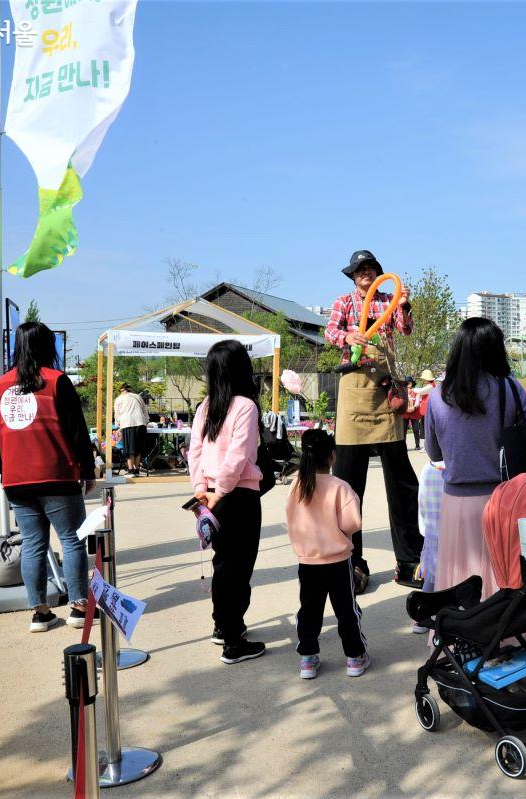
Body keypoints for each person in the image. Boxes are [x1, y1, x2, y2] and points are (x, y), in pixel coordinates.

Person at [325, 249, 423, 593]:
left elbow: (404, 330)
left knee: (402, 483)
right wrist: (348, 337)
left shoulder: (389, 298)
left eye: (370, 269)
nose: (365, 274)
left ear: (378, 273)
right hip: (354, 391)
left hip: (384, 392)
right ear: (353, 276)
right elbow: (330, 332)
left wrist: (405, 305)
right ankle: (352, 564)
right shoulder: (344, 302)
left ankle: (410, 560)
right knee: (349, 485)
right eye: (360, 270)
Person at [0, 322, 96, 633]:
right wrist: (87, 470)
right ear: (49, 347)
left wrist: (4, 470)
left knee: (34, 545)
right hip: (56, 476)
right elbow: (77, 431)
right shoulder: (57, 381)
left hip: (16, 480)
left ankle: (40, 612)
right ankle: (79, 607)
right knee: (72, 541)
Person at [425, 317, 526, 601]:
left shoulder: (438, 395)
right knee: (503, 574)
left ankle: (461, 637)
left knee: (459, 576)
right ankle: (504, 635)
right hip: (504, 500)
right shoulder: (510, 388)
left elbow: (434, 453)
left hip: (457, 505)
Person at [188, 340, 266, 665]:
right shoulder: (246, 406)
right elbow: (237, 457)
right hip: (239, 497)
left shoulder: (206, 406)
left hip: (210, 497)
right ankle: (233, 641)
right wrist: (221, 491)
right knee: (239, 568)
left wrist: (201, 491)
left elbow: (193, 451)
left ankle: (223, 626)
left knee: (223, 566)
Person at [285, 430, 371, 679]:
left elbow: (290, 518)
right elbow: (352, 523)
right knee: (346, 610)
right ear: (332, 456)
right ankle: (355, 657)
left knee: (309, 610)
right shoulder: (340, 487)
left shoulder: (297, 485)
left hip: (308, 560)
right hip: (337, 560)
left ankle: (308, 658)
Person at [114, 383, 148, 475]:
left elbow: (117, 415)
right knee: (138, 448)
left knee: (129, 448)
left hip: (127, 423)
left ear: (122, 390)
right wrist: (146, 422)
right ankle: (137, 469)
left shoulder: (119, 399)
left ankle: (130, 470)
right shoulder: (138, 397)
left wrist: (118, 427)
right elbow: (145, 411)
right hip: (141, 423)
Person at [403, 377, 425, 450]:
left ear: (412, 383)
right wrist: (406, 408)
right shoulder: (402, 391)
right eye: (407, 382)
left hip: (414, 412)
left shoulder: (416, 391)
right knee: (404, 430)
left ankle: (417, 445)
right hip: (405, 412)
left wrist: (414, 408)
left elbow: (418, 401)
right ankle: (403, 446)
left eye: (410, 382)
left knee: (416, 429)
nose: (408, 383)